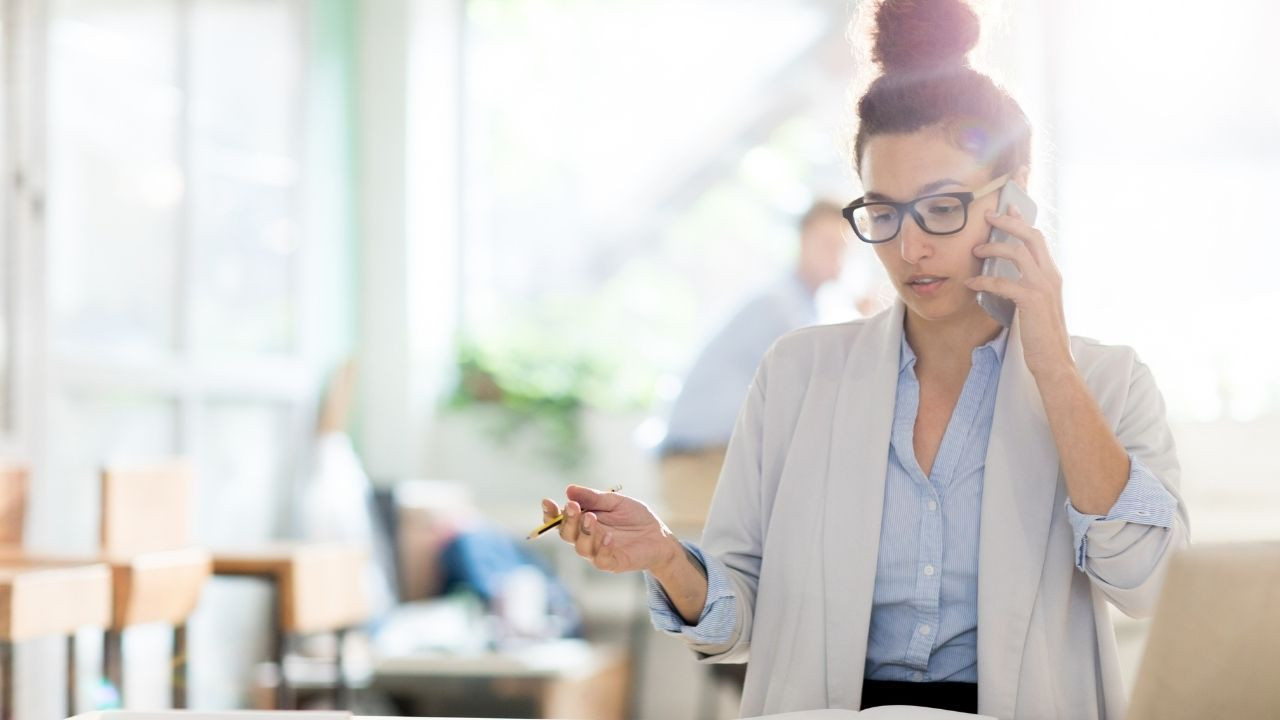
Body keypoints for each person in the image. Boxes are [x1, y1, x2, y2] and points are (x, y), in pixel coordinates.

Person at [541, 1, 1189, 717]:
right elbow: (739, 615)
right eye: (883, 212)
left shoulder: (1108, 382)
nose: (910, 249)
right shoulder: (797, 373)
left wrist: (1054, 369)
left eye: (942, 208)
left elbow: (1148, 581)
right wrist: (666, 555)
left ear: (1013, 197)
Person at [657, 200, 850, 532]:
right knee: (720, 570)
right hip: (700, 460)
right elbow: (818, 388)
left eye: (844, 248)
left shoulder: (800, 305)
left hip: (713, 456)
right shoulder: (782, 307)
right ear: (803, 242)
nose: (837, 257)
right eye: (827, 245)